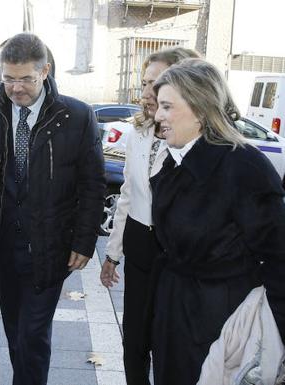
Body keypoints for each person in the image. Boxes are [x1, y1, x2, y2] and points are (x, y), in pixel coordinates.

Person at [0, 33, 106, 384]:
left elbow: (92, 185)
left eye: (25, 78)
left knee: (32, 335)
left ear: (45, 71)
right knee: (15, 333)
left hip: (52, 248)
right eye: (8, 78)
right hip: (4, 246)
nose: (15, 88)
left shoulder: (76, 116)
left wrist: (84, 241)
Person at [149, 58, 285, 384]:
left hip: (221, 325)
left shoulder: (245, 166)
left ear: (198, 108)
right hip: (174, 317)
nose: (157, 116)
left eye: (167, 106)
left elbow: (280, 258)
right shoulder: (171, 160)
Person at [99, 47, 199, 385]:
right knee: (135, 343)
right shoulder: (138, 133)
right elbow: (128, 194)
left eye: (156, 84)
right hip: (141, 244)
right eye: (144, 83)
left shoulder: (201, 140)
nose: (145, 93)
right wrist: (113, 254)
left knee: (172, 344)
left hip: (179, 253)